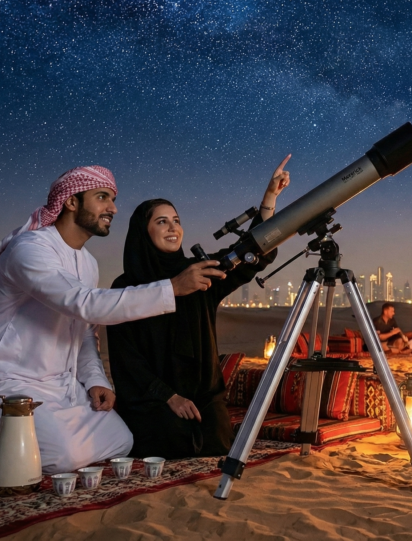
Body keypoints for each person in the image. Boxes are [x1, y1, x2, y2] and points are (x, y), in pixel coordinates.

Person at [0, 166, 223, 474]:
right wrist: (172, 288)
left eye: (112, 199)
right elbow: (84, 305)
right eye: (102, 198)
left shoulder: (87, 263)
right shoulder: (29, 250)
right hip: (5, 378)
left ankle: (12, 436)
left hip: (61, 386)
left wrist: (96, 380)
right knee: (61, 457)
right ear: (71, 202)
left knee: (123, 441)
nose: (112, 208)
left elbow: (84, 333)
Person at [107, 156, 290, 459]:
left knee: (216, 441)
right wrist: (169, 397)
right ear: (143, 231)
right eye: (161, 221)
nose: (172, 228)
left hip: (204, 399)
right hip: (153, 399)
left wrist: (268, 200)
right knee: (167, 439)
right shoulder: (126, 287)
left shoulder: (199, 271)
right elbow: (127, 361)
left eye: (176, 220)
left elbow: (250, 252)